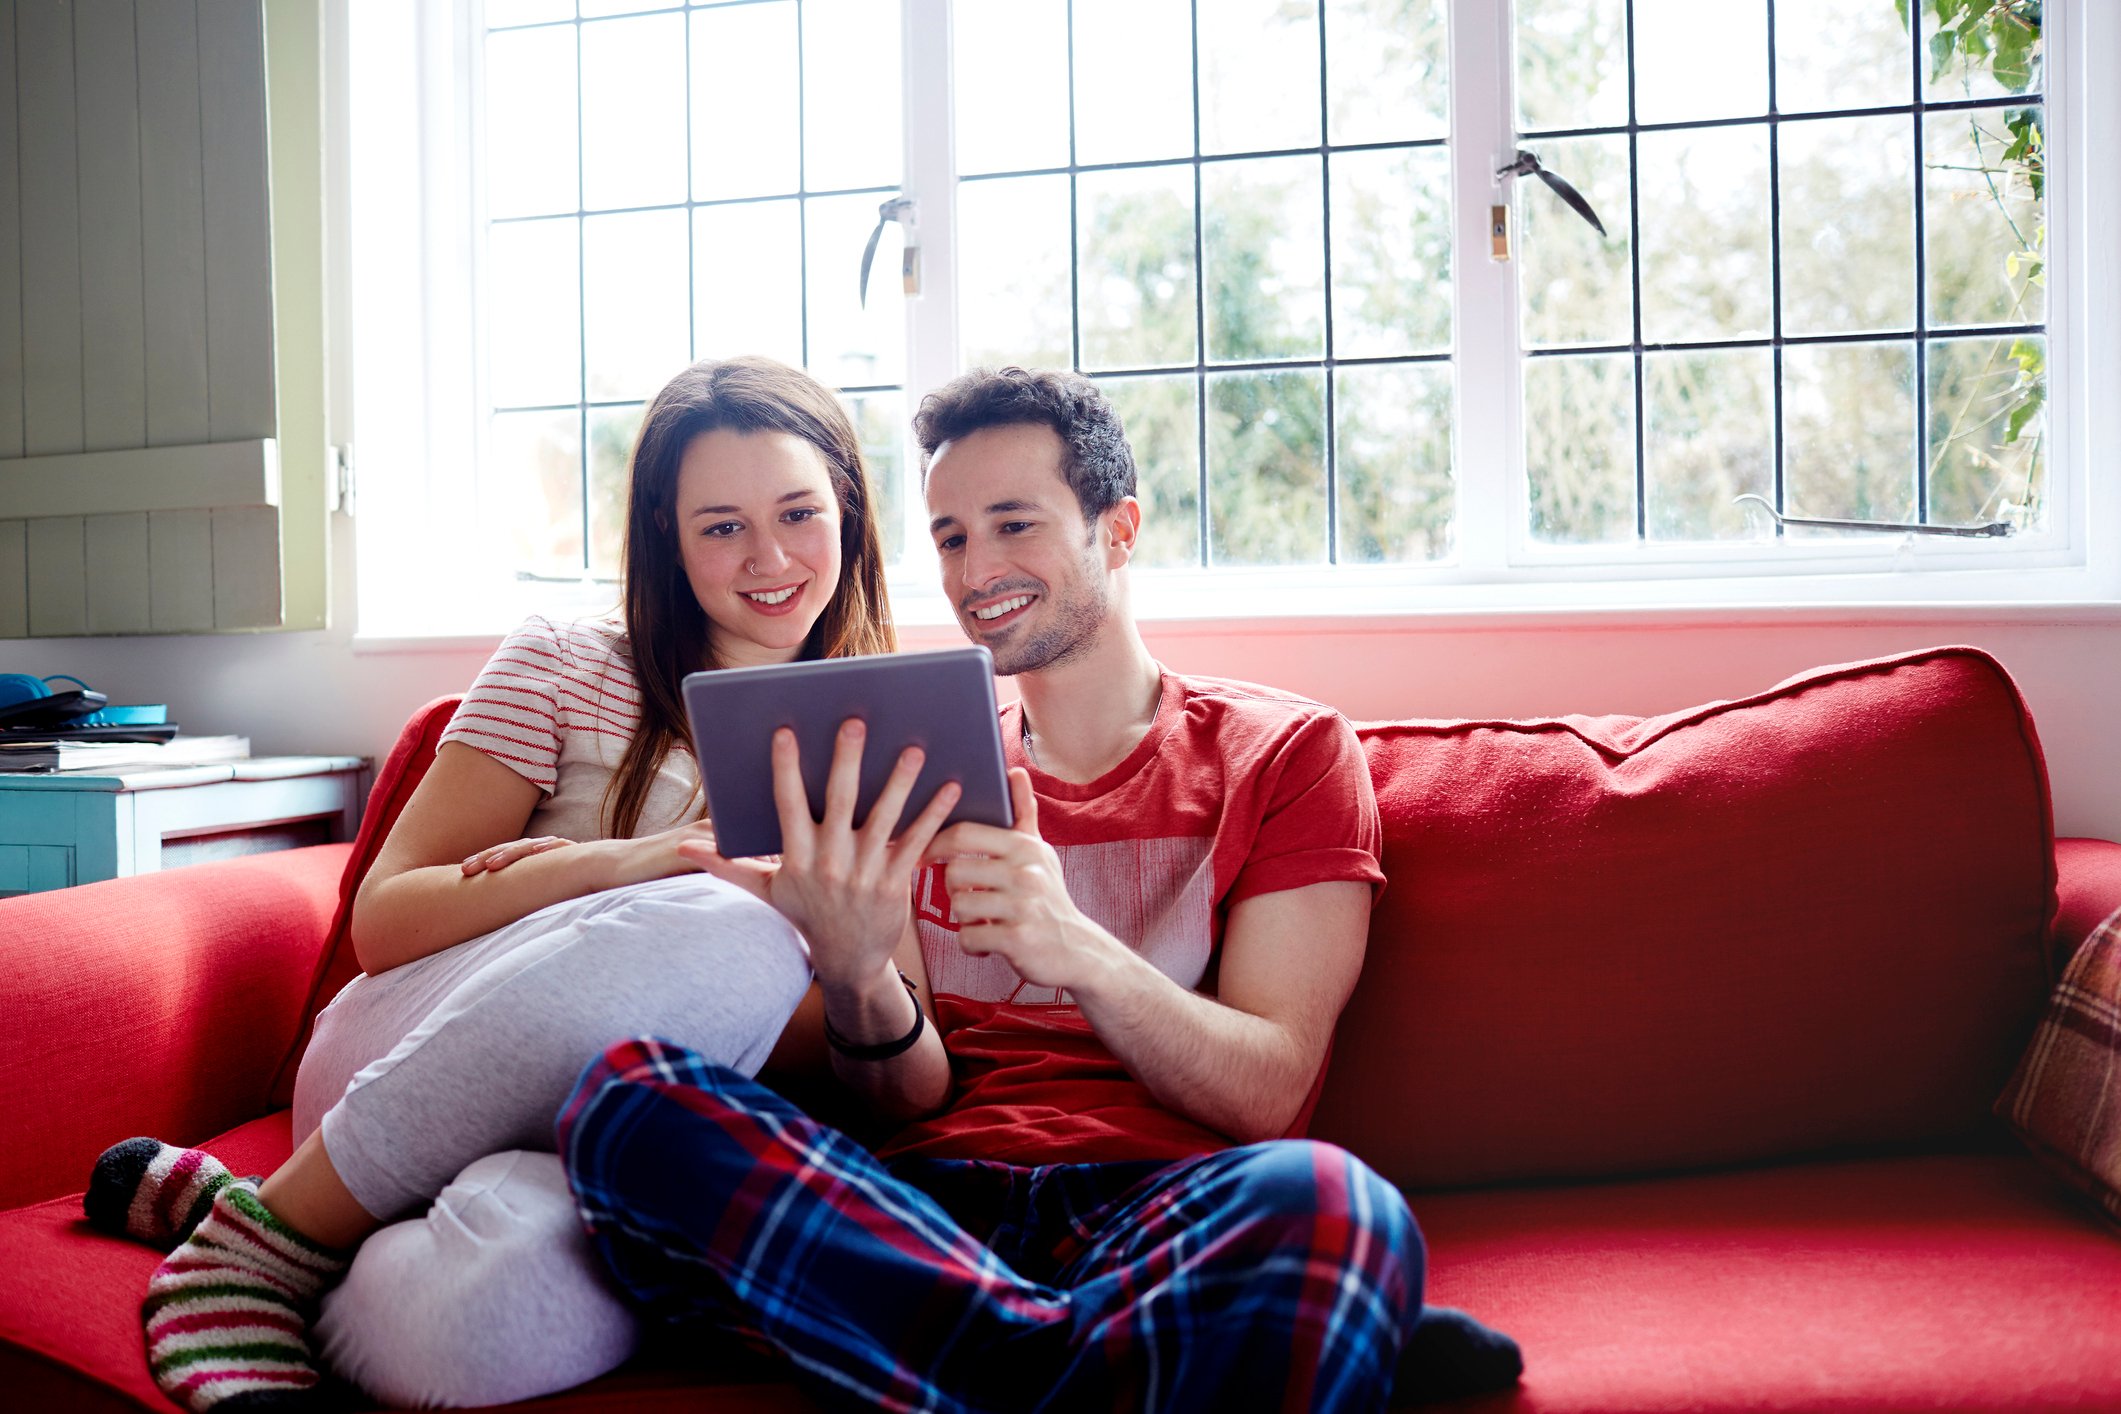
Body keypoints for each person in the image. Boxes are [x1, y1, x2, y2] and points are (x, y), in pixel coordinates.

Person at [559, 367, 1524, 1410]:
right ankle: (1176, 1346)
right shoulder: (905, 755)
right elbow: (904, 1094)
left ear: (1118, 528)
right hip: (922, 1209)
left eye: (1013, 523)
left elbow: (1268, 1093)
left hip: (1157, 1206)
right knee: (626, 1103)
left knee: (1336, 1202)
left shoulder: (1285, 754)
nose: (978, 569)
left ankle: (984, 1353)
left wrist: (1073, 946)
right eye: (951, 536)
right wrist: (854, 972)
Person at [82, 356, 914, 1412]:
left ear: (848, 502)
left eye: (798, 511)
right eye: (720, 526)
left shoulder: (890, 738)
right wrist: (624, 865)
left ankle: (263, 1221)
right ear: (666, 534)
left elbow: (885, 1057)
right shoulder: (567, 658)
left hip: (610, 1143)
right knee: (729, 923)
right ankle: (256, 1250)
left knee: (500, 1320)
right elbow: (386, 920)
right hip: (403, 1047)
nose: (769, 557)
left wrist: (840, 955)